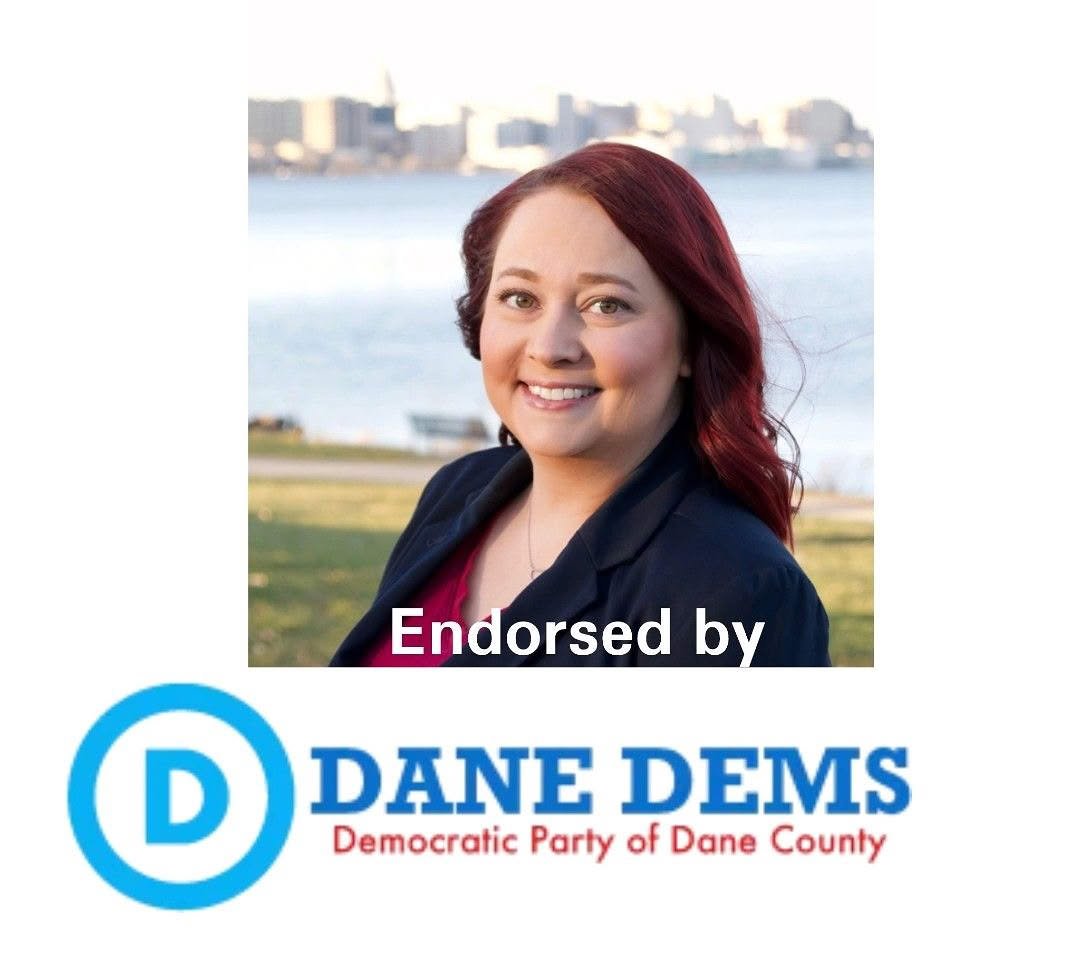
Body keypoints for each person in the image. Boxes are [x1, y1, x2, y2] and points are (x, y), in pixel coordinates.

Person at [330, 142, 829, 667]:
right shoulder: (457, 493)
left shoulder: (737, 591)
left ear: (691, 339)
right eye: (520, 298)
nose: (549, 347)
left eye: (606, 305)